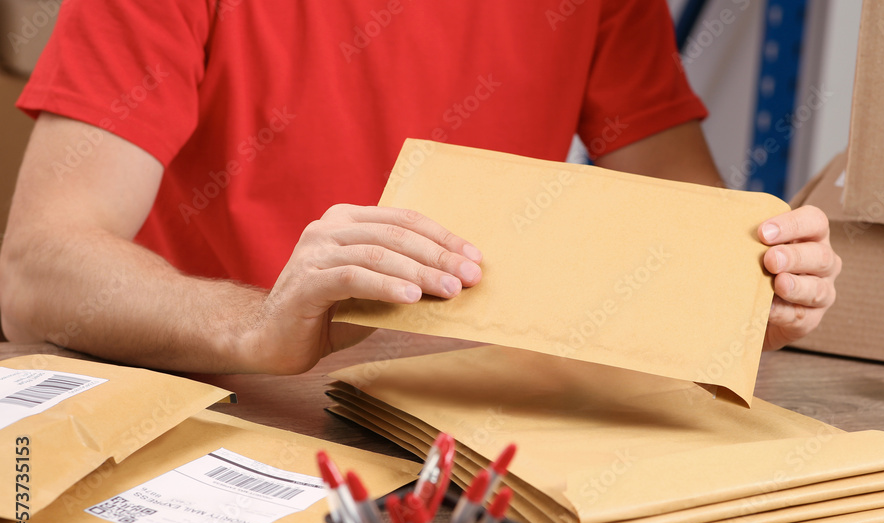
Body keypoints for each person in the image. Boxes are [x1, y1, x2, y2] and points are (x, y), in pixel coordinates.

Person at [0, 0, 840, 374]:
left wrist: (757, 287)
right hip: (227, 414)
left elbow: (692, 233)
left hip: (470, 440)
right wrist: (254, 324)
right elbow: (36, 272)